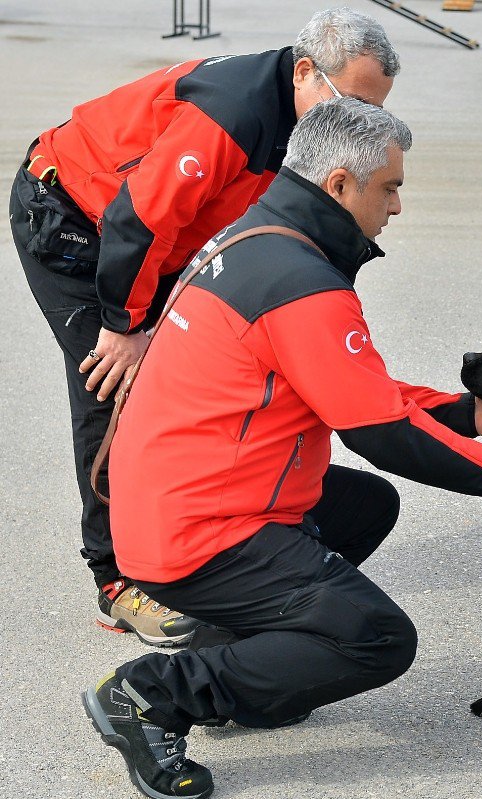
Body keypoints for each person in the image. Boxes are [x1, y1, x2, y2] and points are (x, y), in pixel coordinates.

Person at [82, 98, 482, 799]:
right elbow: (376, 431)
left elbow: (352, 388)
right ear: (341, 184)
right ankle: (153, 693)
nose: (398, 205)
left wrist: (471, 414)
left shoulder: (258, 238)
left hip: (164, 498)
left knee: (365, 506)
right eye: (391, 187)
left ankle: (231, 658)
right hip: (195, 531)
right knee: (375, 637)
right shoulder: (303, 283)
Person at [9, 8, 399, 646]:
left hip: (160, 238)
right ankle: (119, 580)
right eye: (351, 101)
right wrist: (124, 324)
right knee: (113, 388)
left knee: (195, 377)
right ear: (305, 72)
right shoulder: (233, 113)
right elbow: (139, 219)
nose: (358, 123)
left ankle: (209, 533)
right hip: (80, 222)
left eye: (374, 110)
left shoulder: (313, 127)